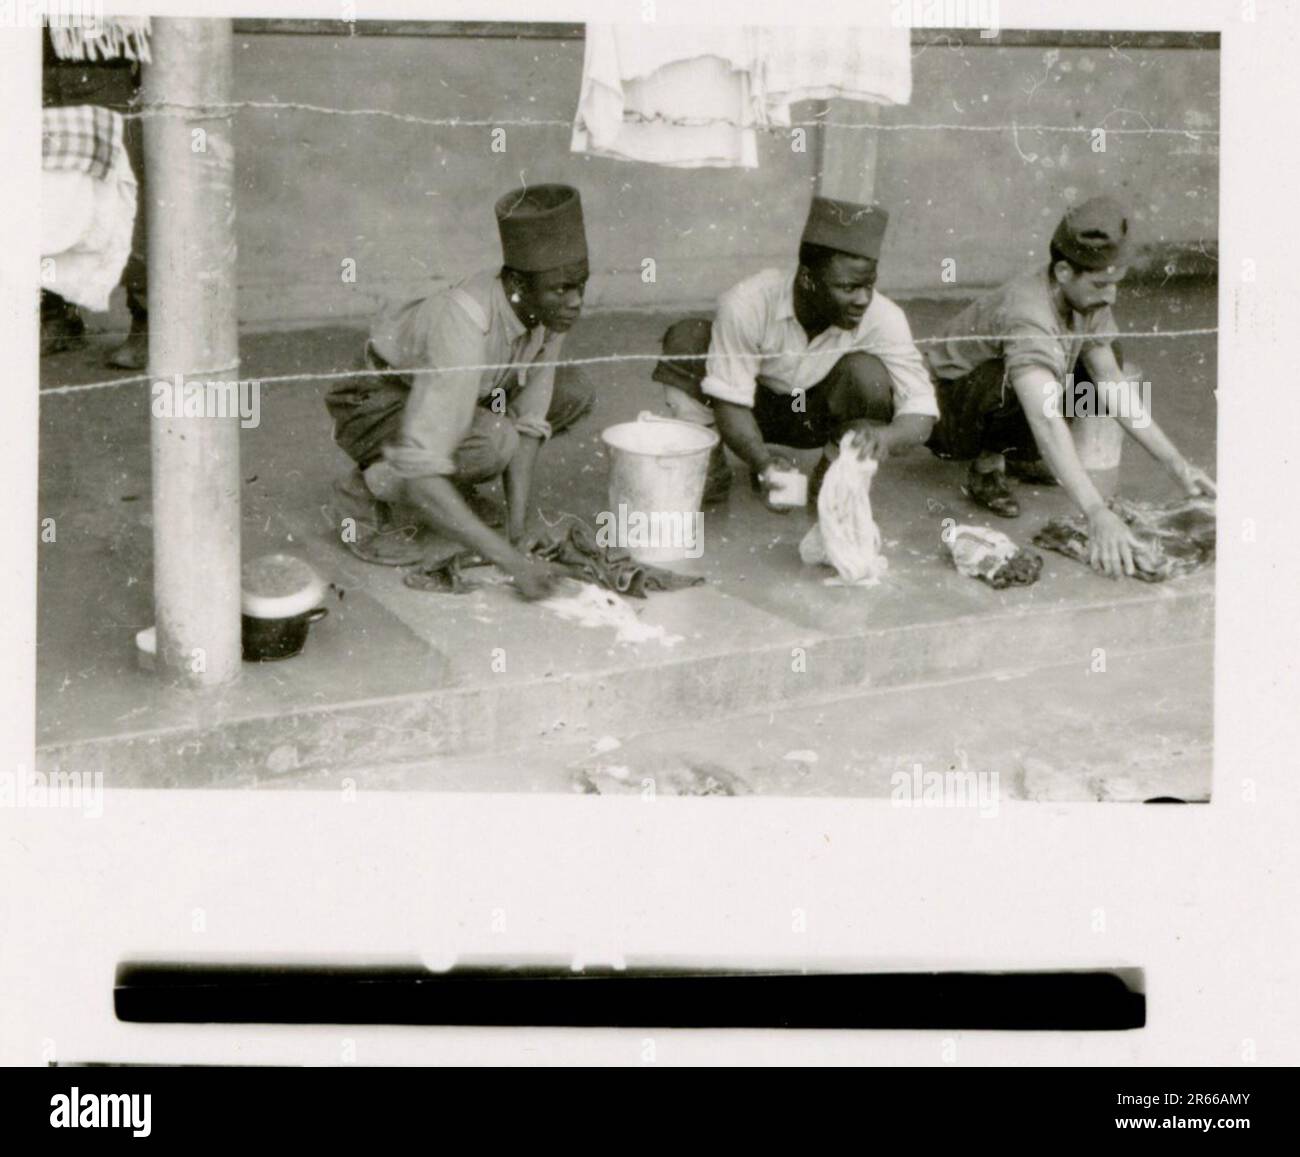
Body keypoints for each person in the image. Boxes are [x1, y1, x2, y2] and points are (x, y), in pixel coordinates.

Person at [324, 184, 594, 600]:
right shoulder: (465, 323)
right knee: (493, 441)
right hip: (374, 399)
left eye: (580, 285)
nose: (575, 301)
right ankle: (365, 489)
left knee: (571, 392)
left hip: (458, 390)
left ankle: (452, 490)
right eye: (561, 289)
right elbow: (423, 469)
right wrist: (513, 564)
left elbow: (530, 421)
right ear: (519, 285)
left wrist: (517, 531)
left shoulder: (550, 312)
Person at [924, 196, 1216, 577]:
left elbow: (1111, 382)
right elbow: (1045, 418)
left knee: (1108, 354)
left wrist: (1177, 465)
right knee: (1011, 380)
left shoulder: (1084, 297)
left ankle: (1024, 454)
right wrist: (1096, 512)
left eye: (1115, 284)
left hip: (1012, 396)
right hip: (948, 414)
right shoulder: (1028, 313)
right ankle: (987, 465)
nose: (1110, 296)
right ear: (1063, 271)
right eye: (1101, 285)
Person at [652, 196, 938, 508]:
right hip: (750, 410)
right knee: (688, 340)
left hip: (813, 416)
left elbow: (921, 407)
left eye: (868, 285)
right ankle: (708, 464)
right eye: (848, 288)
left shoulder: (883, 316)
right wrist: (763, 463)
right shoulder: (748, 303)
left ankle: (833, 477)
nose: (863, 299)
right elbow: (730, 401)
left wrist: (885, 437)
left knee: (869, 375)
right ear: (807, 279)